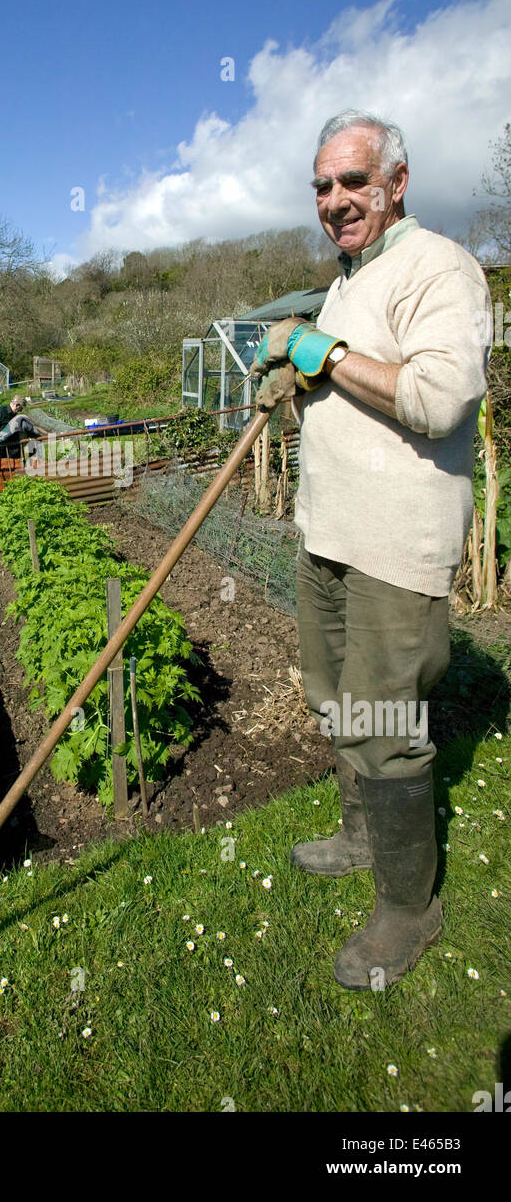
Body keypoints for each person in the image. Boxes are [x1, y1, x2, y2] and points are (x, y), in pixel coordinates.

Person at [252, 110, 492, 990]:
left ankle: (408, 909)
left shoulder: (441, 269)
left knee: (386, 726)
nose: (336, 200)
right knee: (335, 698)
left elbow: (435, 401)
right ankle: (362, 835)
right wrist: (304, 376)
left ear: (397, 181)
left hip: (397, 548)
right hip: (330, 538)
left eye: (353, 181)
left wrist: (320, 347)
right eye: (322, 186)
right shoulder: (352, 278)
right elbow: (355, 373)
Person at [0, 395, 45, 462]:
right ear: (17, 405)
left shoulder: (14, 415)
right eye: (20, 409)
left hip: (13, 448)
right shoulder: (0, 411)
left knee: (13, 467)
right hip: (1, 447)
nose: (20, 411)